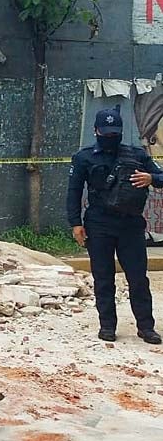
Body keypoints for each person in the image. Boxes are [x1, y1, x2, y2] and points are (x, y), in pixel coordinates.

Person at [67, 105, 162, 345]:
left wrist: (152, 178)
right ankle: (107, 326)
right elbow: (74, 191)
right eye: (106, 133)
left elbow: (161, 177)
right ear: (96, 130)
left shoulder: (137, 155)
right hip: (99, 224)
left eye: (114, 133)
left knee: (138, 278)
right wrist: (75, 223)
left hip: (131, 225)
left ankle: (146, 327)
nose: (111, 137)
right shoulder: (84, 157)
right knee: (103, 277)